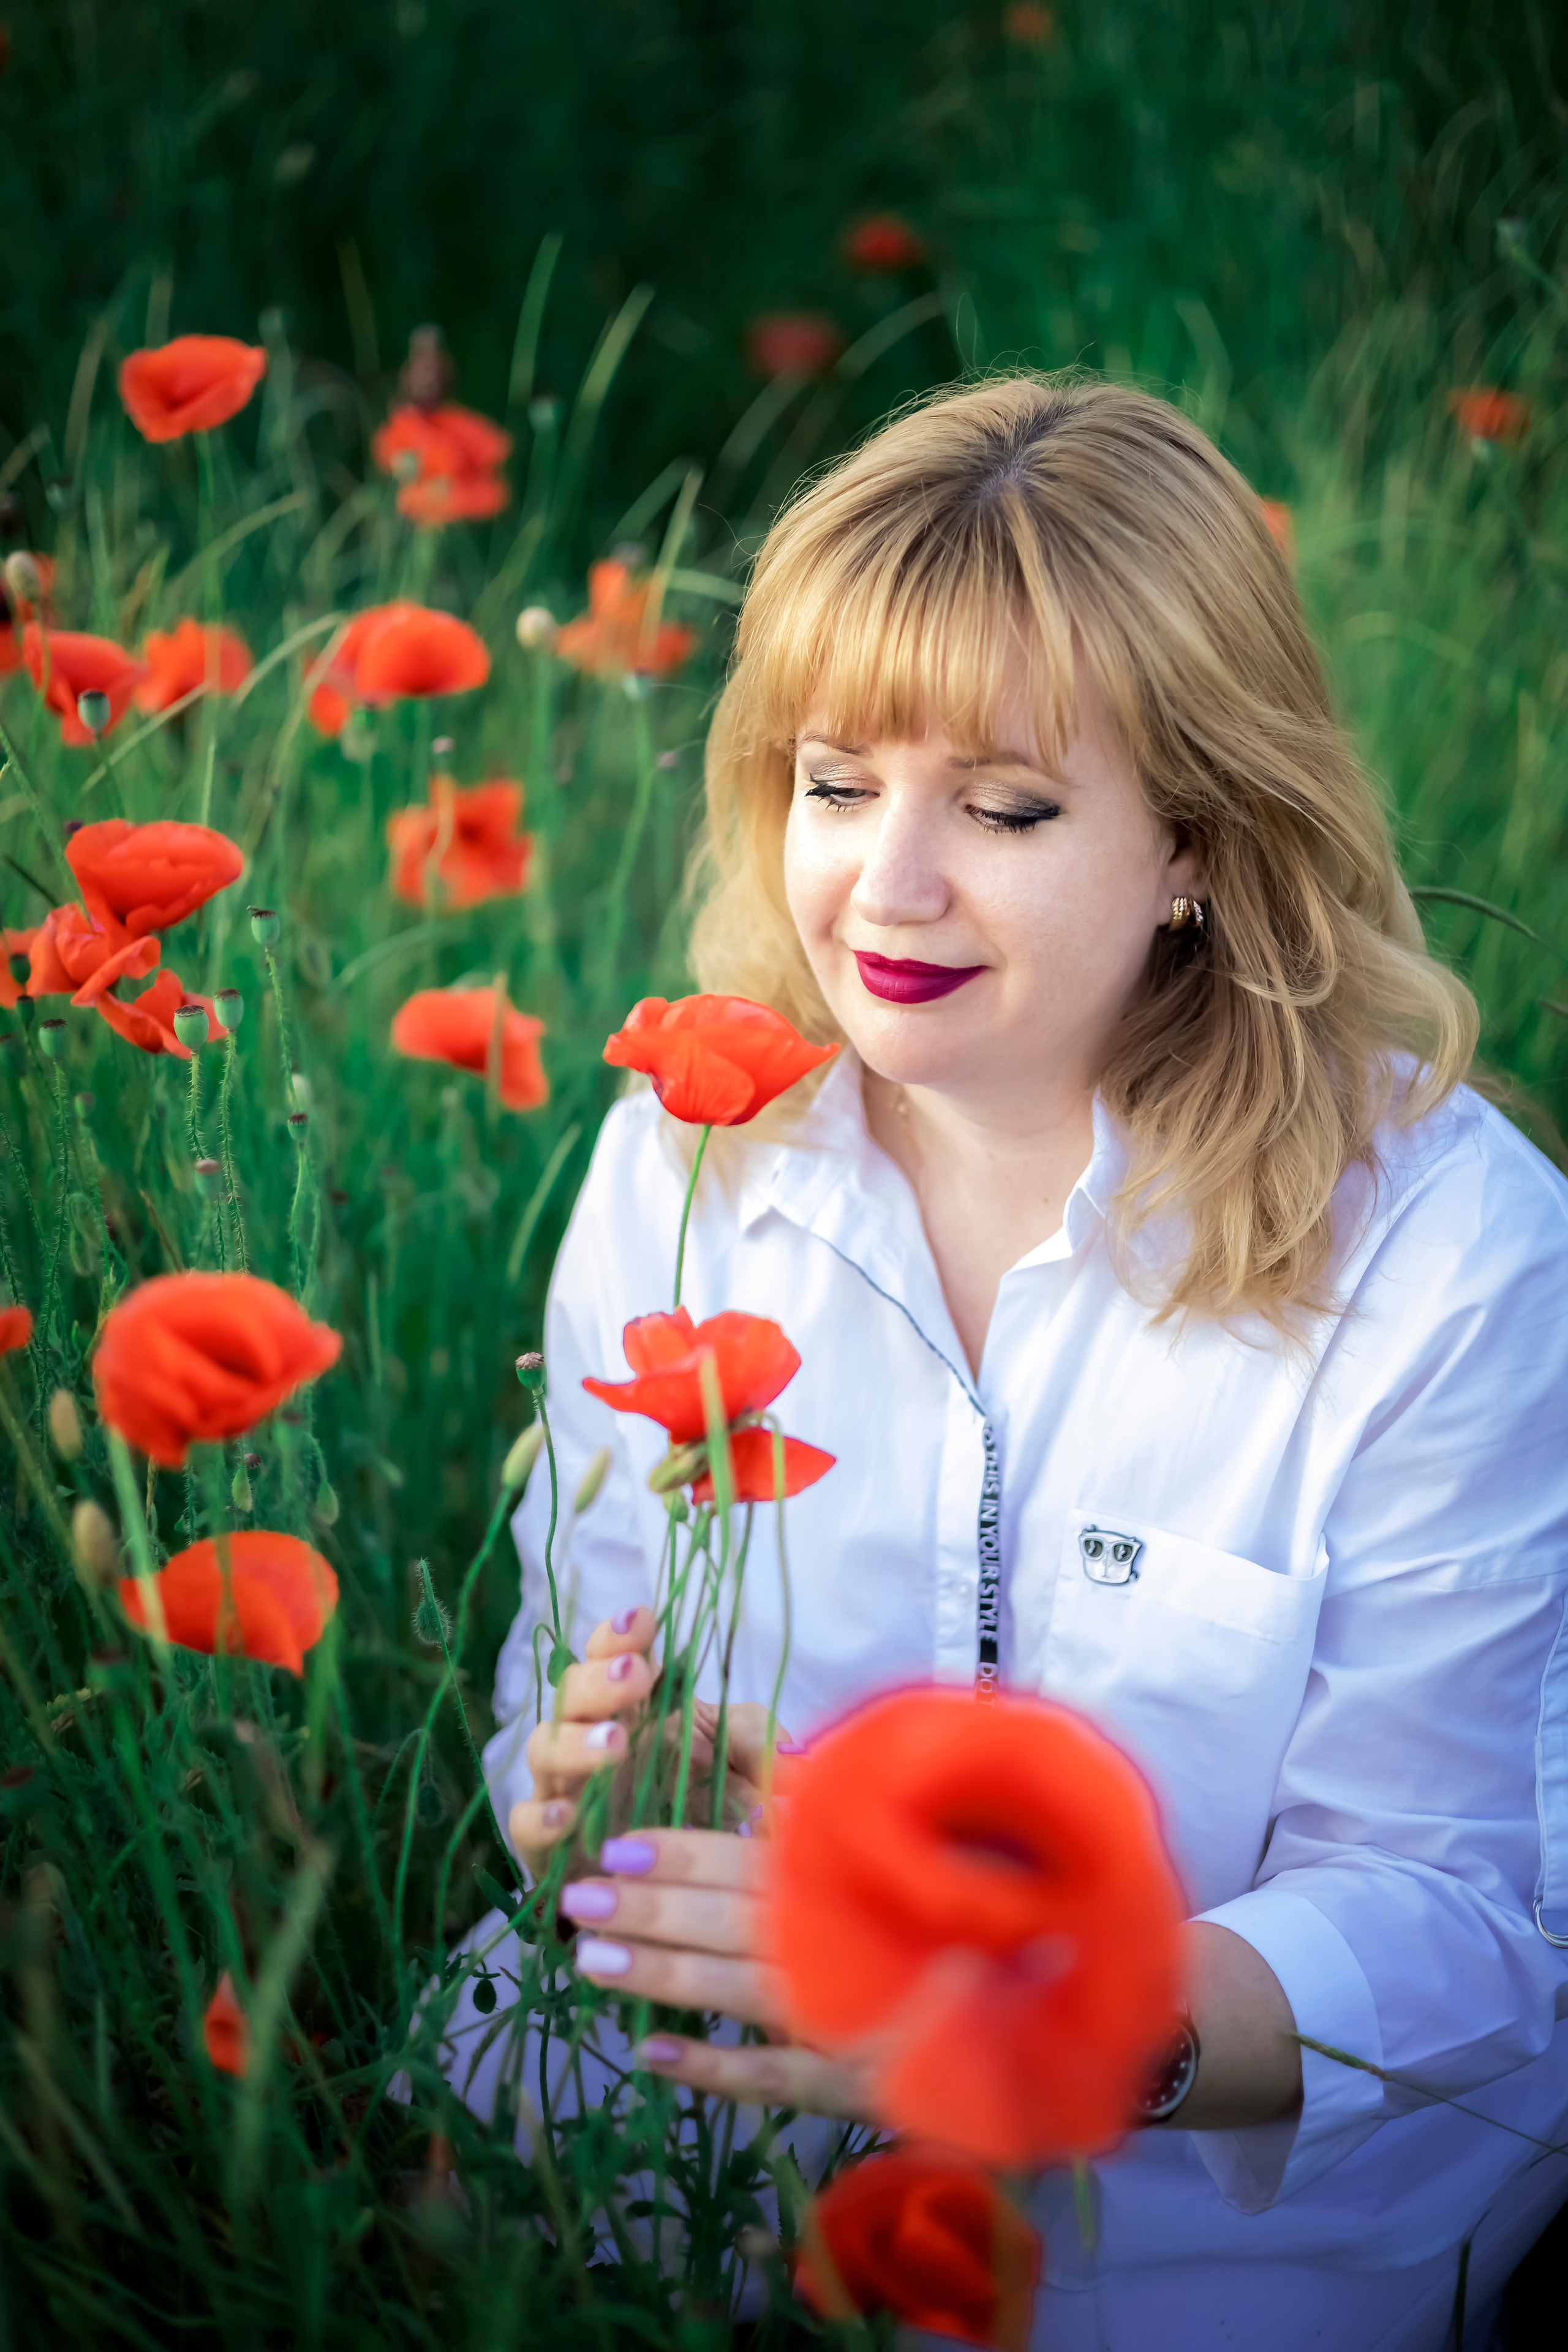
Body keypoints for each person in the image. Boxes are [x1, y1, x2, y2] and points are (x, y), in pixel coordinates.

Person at [474, 375, 1568, 2348]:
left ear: (1198, 842)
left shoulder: (1449, 1259)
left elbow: (1459, 1912)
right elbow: (569, 1650)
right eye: (836, 784)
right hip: (729, 2078)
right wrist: (585, 1784)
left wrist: (1043, 2025)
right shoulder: (690, 1159)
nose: (885, 889)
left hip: (1209, 2192)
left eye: (1003, 809)